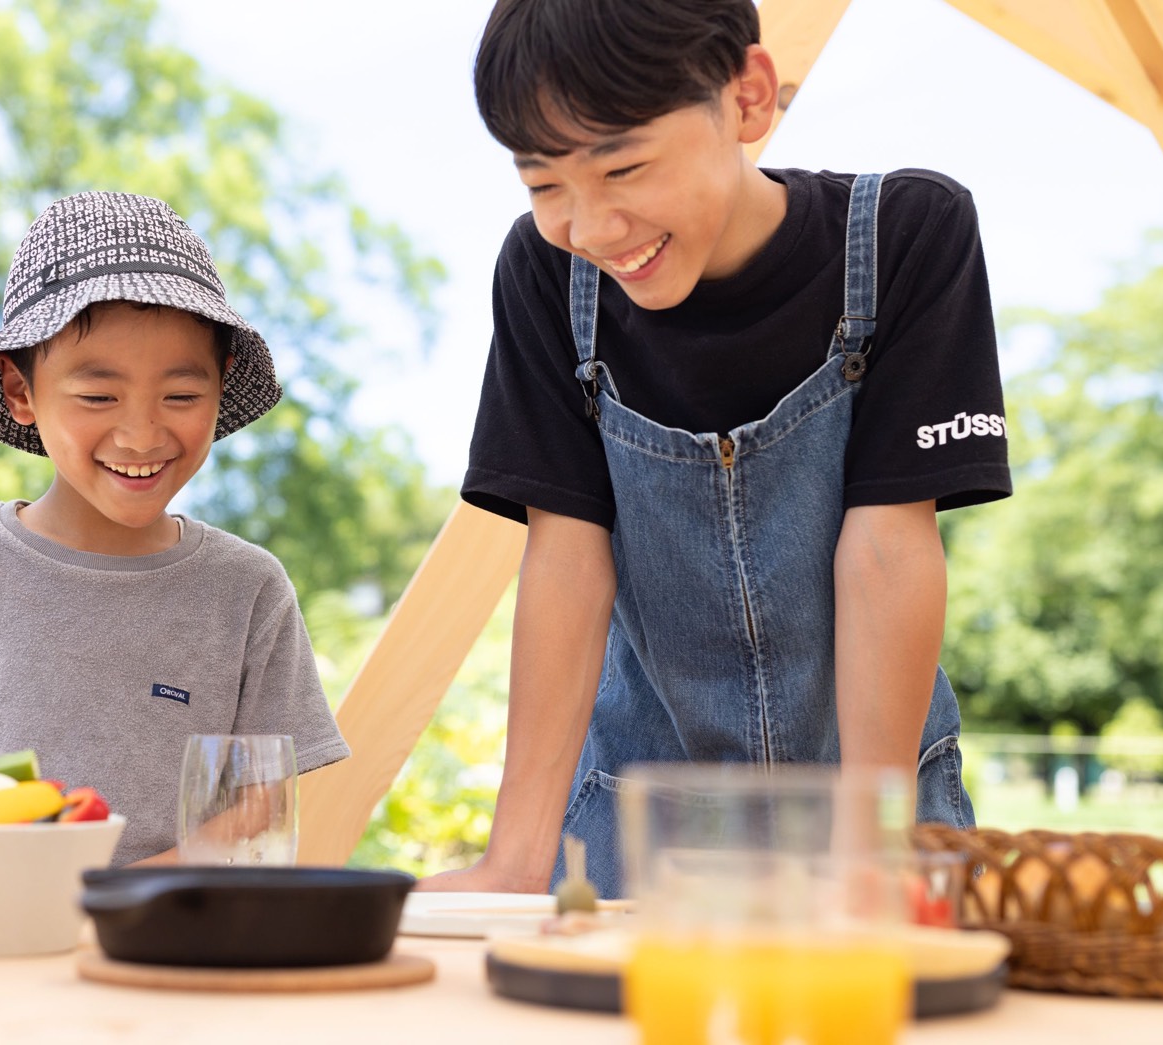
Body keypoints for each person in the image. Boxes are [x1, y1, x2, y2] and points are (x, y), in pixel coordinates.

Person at [421, 0, 1011, 897]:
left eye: (622, 166)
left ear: (747, 98)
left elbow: (887, 550)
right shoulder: (547, 277)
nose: (590, 227)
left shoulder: (907, 236)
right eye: (544, 185)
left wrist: (867, 848)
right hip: (636, 834)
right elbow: (567, 563)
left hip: (880, 817)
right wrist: (512, 861)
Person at [0, 191, 349, 865]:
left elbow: (258, 809)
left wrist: (107, 902)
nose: (142, 433)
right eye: (97, 396)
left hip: (155, 945)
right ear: (20, 390)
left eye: (181, 395)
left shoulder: (247, 589)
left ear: (222, 380)